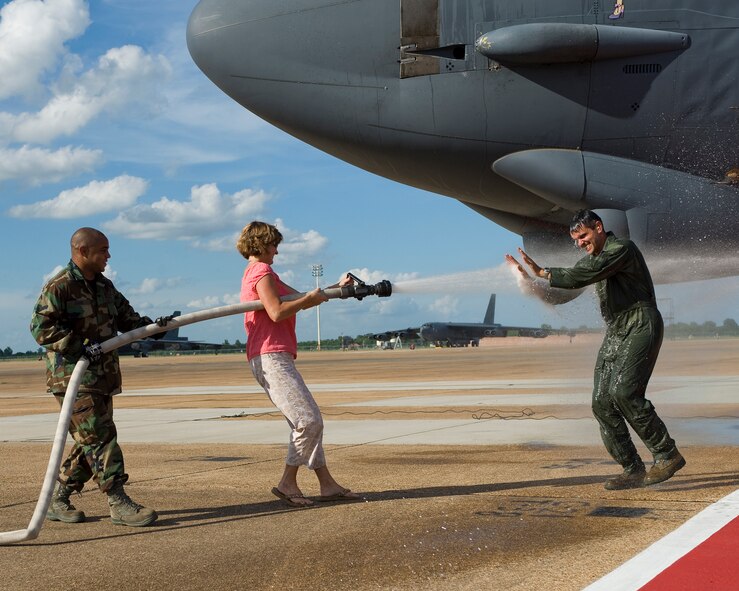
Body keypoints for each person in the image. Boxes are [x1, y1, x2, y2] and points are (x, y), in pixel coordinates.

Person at [505, 210, 685, 490]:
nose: (579, 243)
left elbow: (580, 275)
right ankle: (632, 468)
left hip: (640, 322)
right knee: (601, 402)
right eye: (575, 239)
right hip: (616, 329)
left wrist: (544, 273)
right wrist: (534, 285)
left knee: (624, 392)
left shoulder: (622, 249)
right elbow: (565, 292)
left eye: (583, 236)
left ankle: (667, 454)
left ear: (598, 227)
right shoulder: (593, 262)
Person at [31, 227, 171, 526]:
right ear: (82, 251)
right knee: (100, 438)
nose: (108, 256)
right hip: (73, 379)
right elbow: (41, 328)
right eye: (103, 250)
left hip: (103, 377)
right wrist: (80, 346)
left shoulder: (104, 286)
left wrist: (155, 327)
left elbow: (128, 319)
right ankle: (118, 501)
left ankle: (59, 498)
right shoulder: (61, 286)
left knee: (89, 441)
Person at [236, 221, 361, 507]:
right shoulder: (262, 271)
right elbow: (277, 312)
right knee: (308, 421)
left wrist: (336, 289)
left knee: (306, 420)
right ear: (260, 244)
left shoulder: (261, 273)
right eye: (273, 244)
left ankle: (327, 484)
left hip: (272, 355)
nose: (276, 251)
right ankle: (287, 482)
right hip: (270, 356)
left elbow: (302, 299)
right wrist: (309, 298)